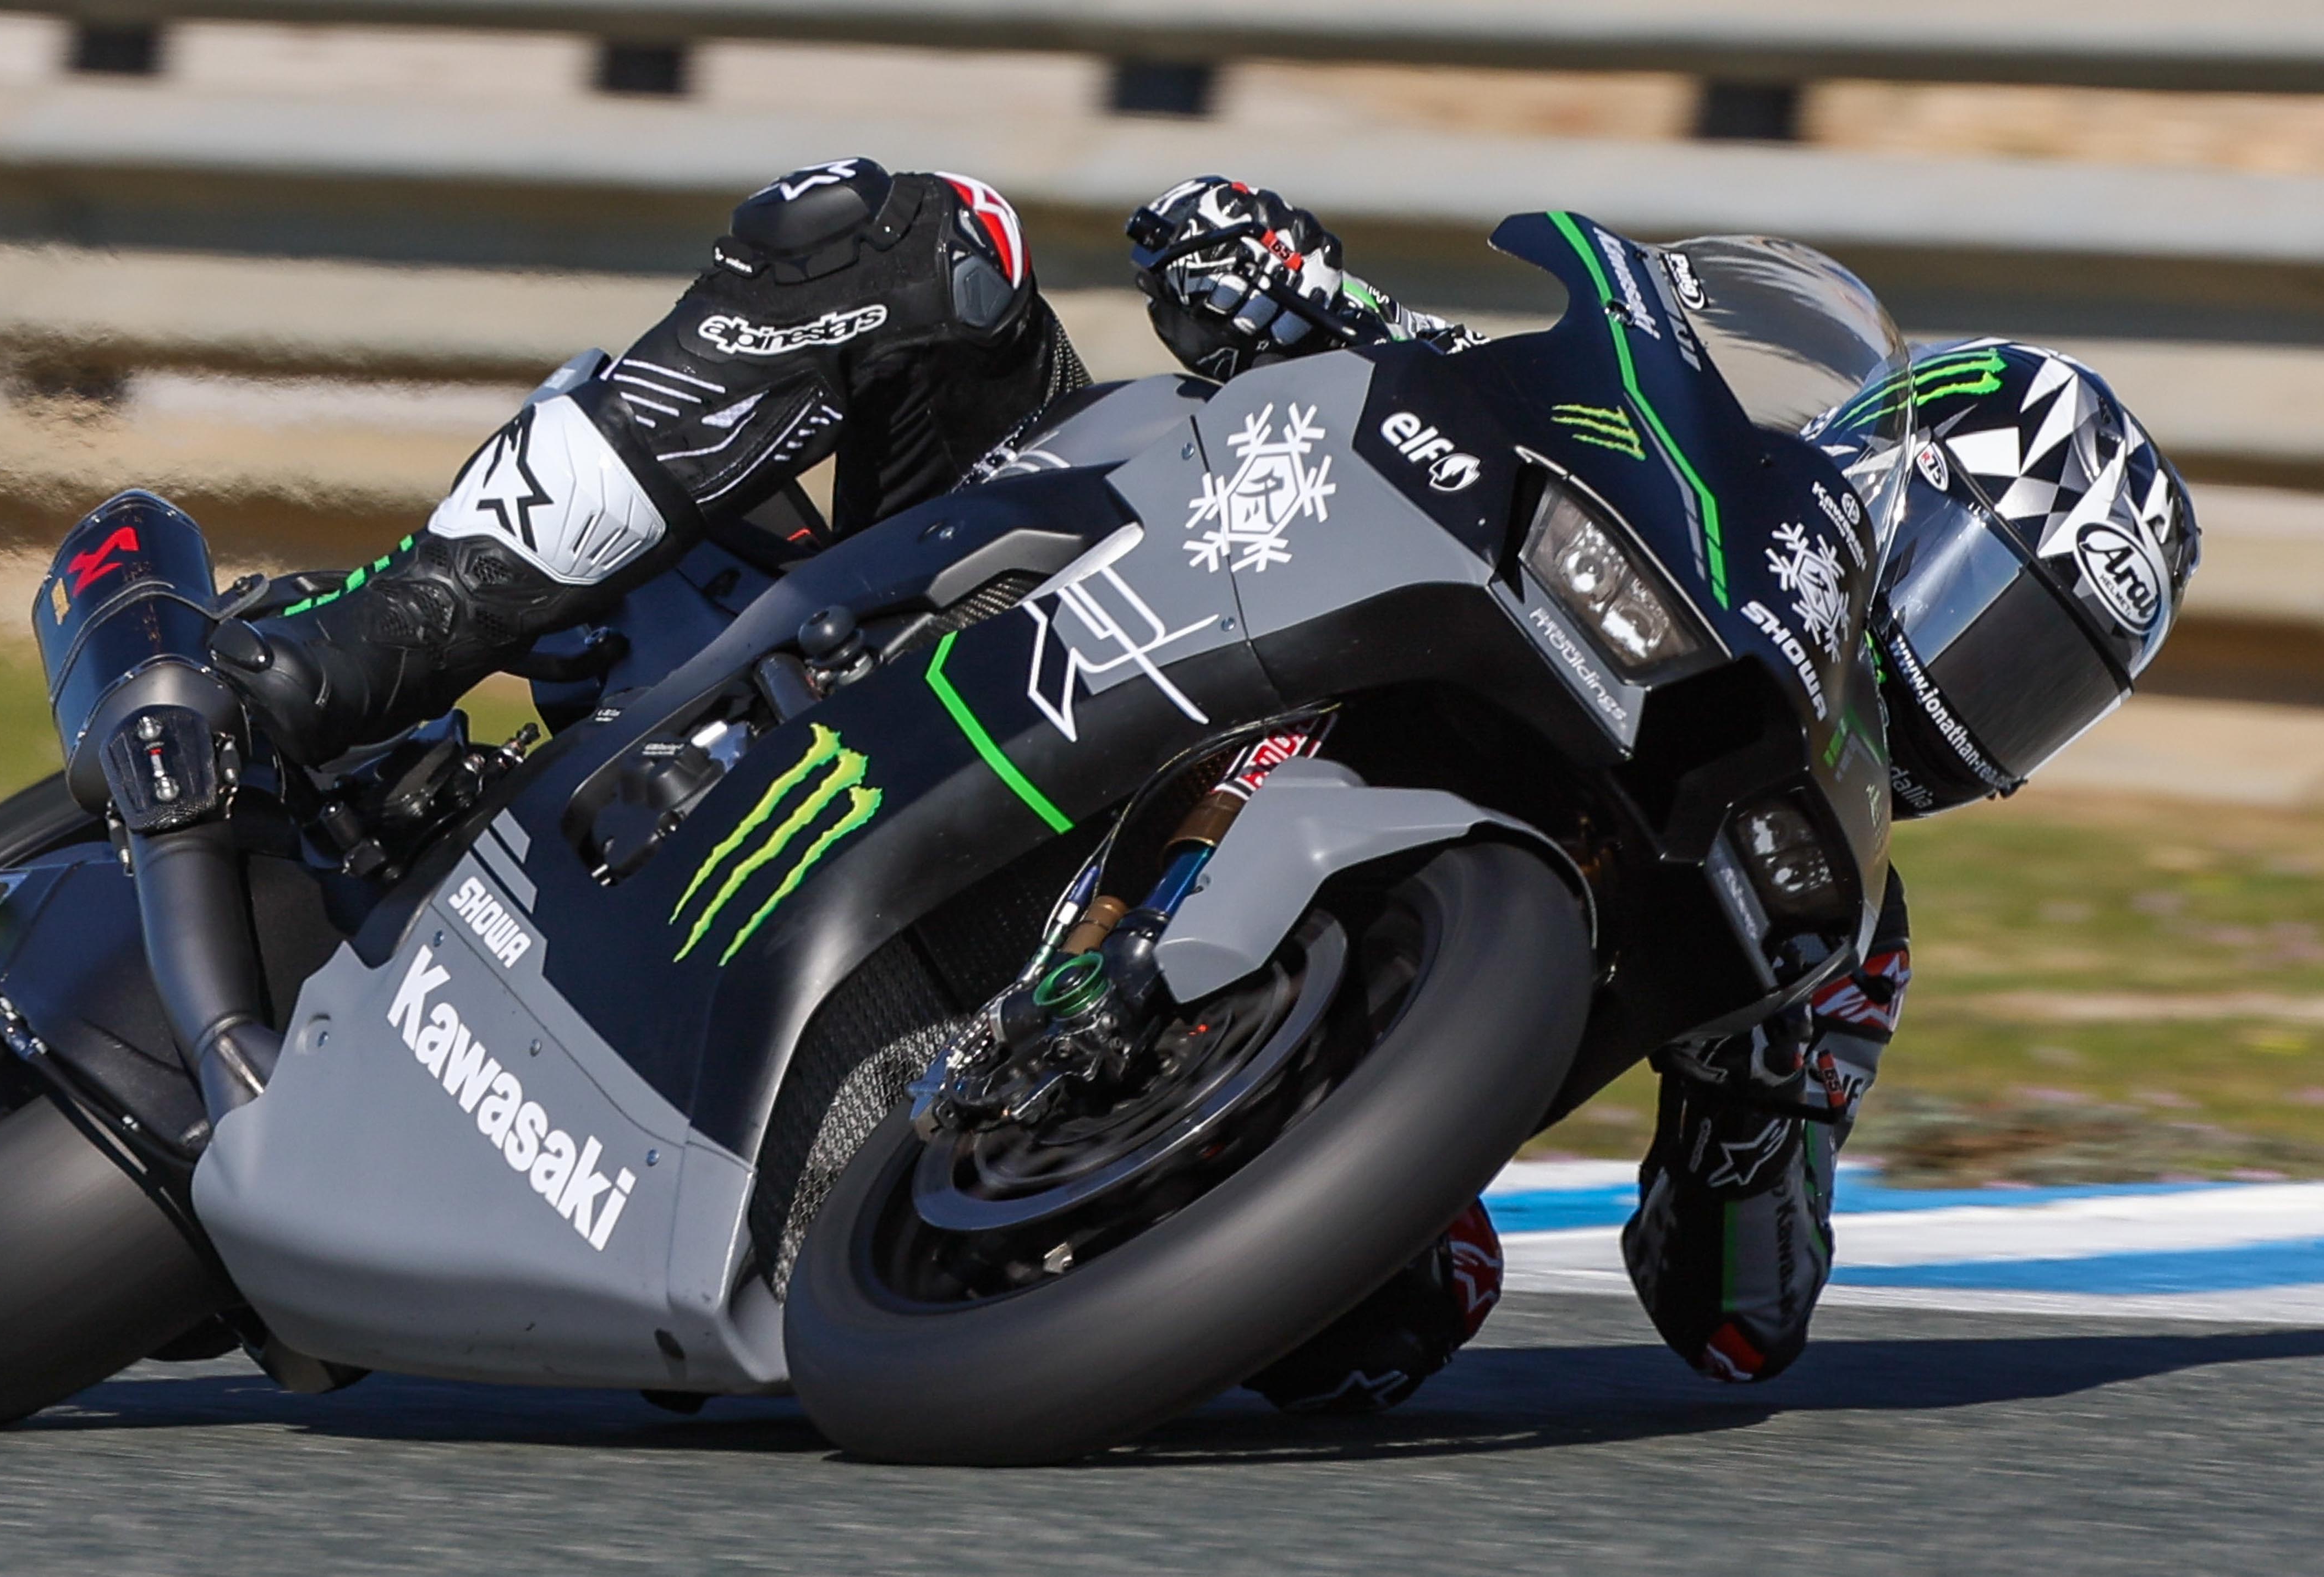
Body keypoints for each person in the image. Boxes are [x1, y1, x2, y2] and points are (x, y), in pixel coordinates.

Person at [207, 163, 2200, 1410]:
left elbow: (1736, 1319)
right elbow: (1344, 336)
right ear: (1867, 479)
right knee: (924, 248)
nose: (1967, 690)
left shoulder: (1828, 944)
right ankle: (376, 638)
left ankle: (953, 1182)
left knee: (1402, 1321)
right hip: (1038, 573)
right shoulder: (1632, 482)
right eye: (1974, 593)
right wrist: (1273, 277)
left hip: (1158, 1051)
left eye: (2034, 680)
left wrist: (1766, 1121)